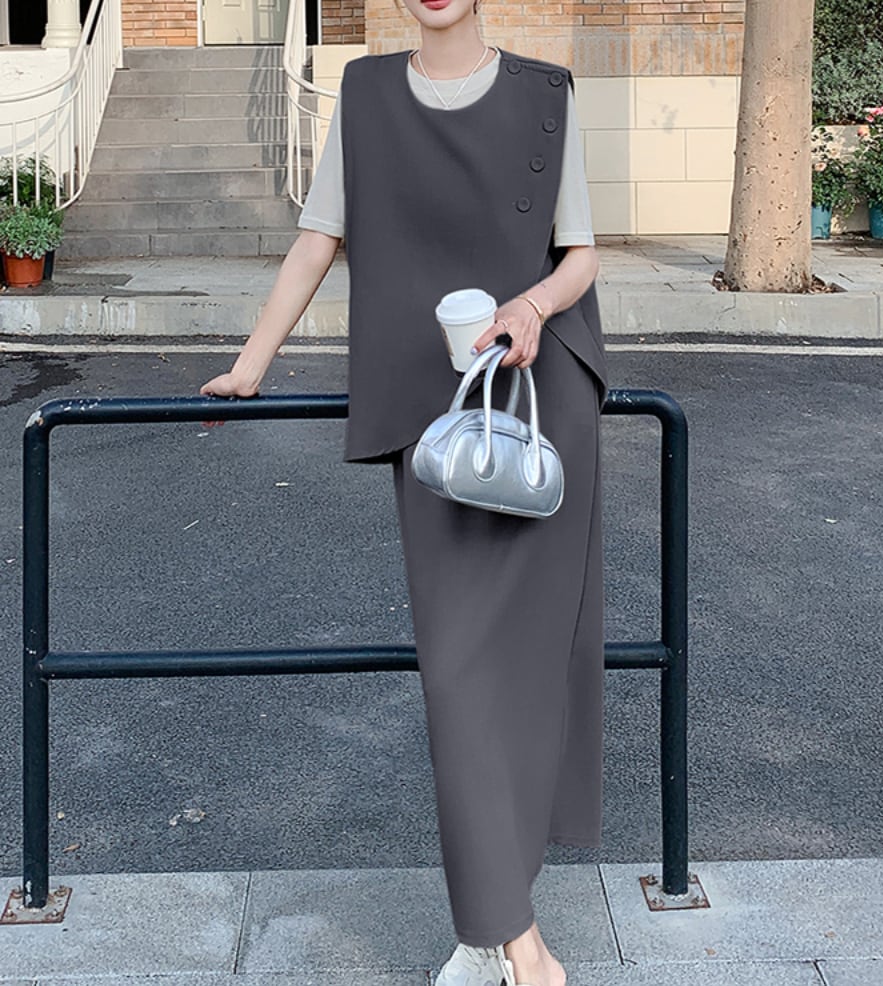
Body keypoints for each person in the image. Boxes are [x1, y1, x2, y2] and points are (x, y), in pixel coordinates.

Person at [200, 3, 608, 986]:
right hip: (434, 428)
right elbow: (318, 238)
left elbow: (582, 255)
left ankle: (493, 935)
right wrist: (252, 363)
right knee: (458, 678)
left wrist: (531, 305)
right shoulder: (367, 94)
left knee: (524, 677)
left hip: (540, 412)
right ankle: (519, 943)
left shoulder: (547, 94)